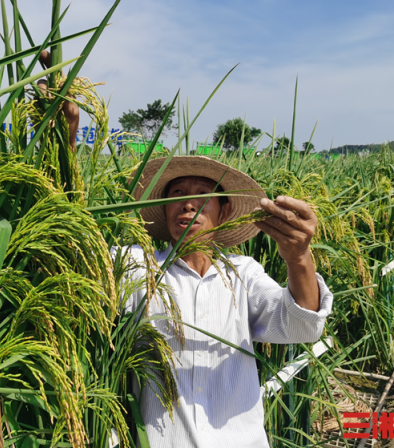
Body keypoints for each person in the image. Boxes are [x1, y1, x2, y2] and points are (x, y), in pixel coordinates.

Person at [124, 156, 333, 448]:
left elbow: (302, 327)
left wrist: (299, 258)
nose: (188, 204)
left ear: (225, 212)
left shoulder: (243, 274)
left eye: (202, 195)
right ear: (165, 208)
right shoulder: (139, 266)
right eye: (178, 194)